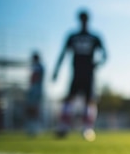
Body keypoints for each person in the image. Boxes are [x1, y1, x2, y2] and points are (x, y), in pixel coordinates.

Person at [52, 9, 107, 140]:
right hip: (76, 73)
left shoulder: (95, 37)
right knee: (68, 99)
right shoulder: (72, 36)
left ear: (87, 20)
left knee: (89, 101)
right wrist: (56, 70)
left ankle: (87, 128)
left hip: (89, 74)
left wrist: (97, 64)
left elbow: (105, 55)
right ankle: (63, 126)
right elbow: (63, 54)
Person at [25, 51, 45, 136]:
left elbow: (34, 77)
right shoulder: (36, 66)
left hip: (36, 90)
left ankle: (35, 127)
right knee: (31, 108)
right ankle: (32, 126)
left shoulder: (38, 66)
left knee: (35, 108)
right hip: (34, 89)